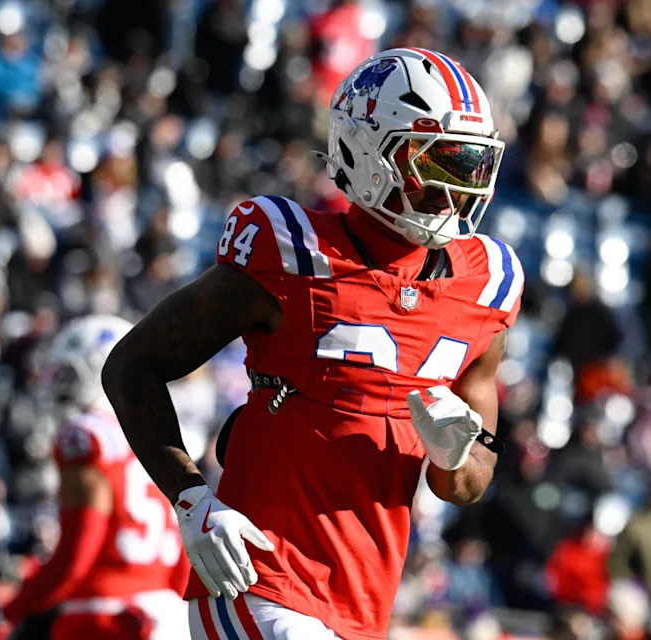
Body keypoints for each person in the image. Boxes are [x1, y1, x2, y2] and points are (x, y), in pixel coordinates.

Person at [101, 48, 522, 640]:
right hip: (260, 576)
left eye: (469, 168)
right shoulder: (290, 252)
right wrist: (191, 500)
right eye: (437, 165)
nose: (453, 193)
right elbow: (131, 366)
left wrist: (454, 454)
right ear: (370, 154)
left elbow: (470, 483)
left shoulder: (487, 284)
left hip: (363, 604)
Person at [0, 315, 190, 640]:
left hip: (104, 620)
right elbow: (184, 555)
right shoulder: (157, 437)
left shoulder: (86, 437)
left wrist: (4, 614)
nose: (60, 385)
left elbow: (75, 557)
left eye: (70, 374)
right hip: (165, 618)